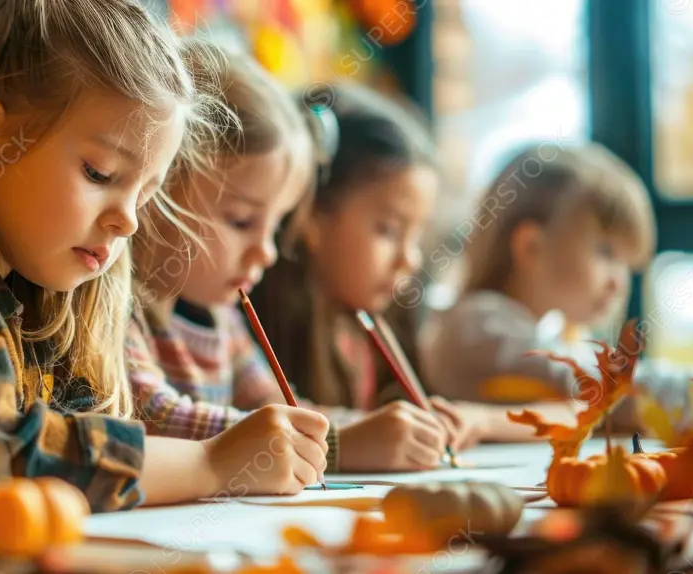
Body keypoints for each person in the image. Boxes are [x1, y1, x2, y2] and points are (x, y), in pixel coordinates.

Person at [0, 0, 327, 513]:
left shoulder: (34, 291)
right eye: (100, 174)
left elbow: (79, 430)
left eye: (145, 193)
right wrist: (214, 463)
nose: (129, 220)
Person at [127, 60, 459, 473]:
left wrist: (390, 430)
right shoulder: (124, 310)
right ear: (158, 192)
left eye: (278, 224)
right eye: (242, 221)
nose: (266, 252)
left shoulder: (224, 318)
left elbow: (280, 407)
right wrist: (339, 445)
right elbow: (155, 418)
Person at [248, 83, 578, 458]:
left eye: (416, 234)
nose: (411, 258)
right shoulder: (251, 330)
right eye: (389, 229)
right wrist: (356, 442)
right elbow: (257, 428)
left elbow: (583, 409)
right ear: (314, 217)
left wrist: (459, 423)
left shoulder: (381, 325)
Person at [419, 142, 693, 432]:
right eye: (606, 252)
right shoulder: (480, 326)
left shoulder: (543, 331)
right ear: (531, 247)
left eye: (627, 265)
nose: (620, 282)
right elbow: (604, 392)